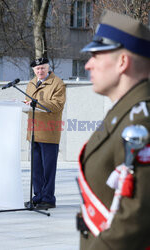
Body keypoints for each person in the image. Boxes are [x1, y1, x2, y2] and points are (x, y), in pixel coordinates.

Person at [76, 10, 150, 250]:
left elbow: (137, 217)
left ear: (122, 62)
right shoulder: (125, 112)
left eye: (96, 55)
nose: (88, 64)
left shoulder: (141, 122)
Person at [25, 58, 66, 210]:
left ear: (48, 68)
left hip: (49, 130)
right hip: (34, 130)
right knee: (36, 168)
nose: (40, 71)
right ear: (33, 70)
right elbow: (28, 102)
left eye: (42, 68)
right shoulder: (31, 83)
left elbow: (57, 104)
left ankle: (48, 198)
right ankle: (38, 197)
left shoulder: (57, 83)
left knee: (48, 168)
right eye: (37, 69)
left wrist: (38, 103)